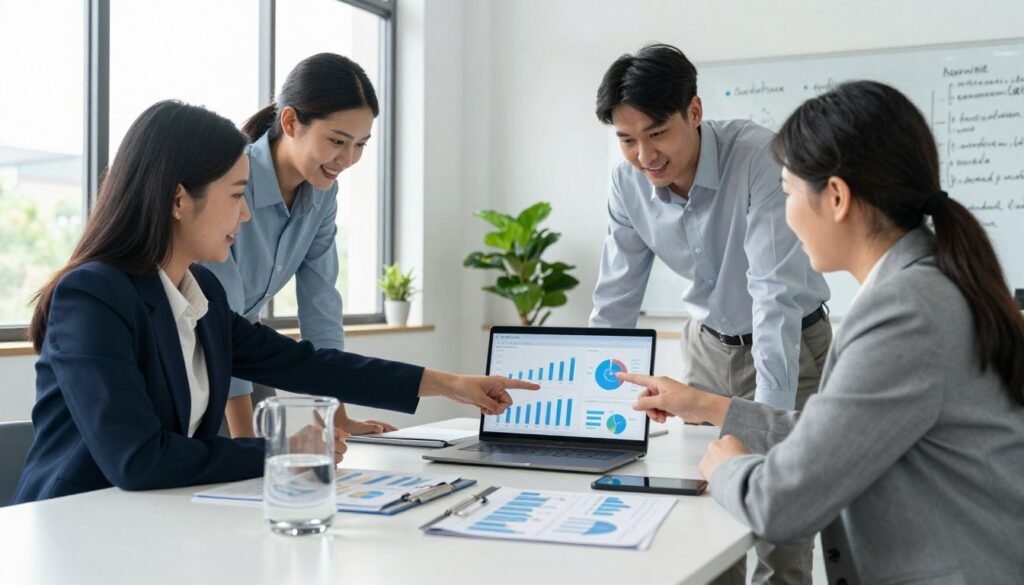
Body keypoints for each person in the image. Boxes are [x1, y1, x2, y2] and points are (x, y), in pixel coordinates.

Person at [11, 101, 537, 505]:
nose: (245, 217)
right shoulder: (93, 297)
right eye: (237, 196)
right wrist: (286, 450)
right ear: (178, 200)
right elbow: (138, 459)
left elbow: (300, 362)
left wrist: (449, 384)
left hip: (154, 517)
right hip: (76, 527)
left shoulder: (202, 294)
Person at [624, 81, 1024, 585]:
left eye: (788, 192)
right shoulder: (924, 283)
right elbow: (834, 435)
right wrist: (706, 406)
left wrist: (726, 468)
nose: (784, 215)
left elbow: (782, 504)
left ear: (835, 197)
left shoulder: (905, 314)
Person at [591, 43, 828, 584]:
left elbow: (774, 299)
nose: (644, 155)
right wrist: (592, 404)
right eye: (627, 140)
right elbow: (615, 299)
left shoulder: (761, 159)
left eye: (657, 134)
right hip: (704, 347)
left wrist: (758, 426)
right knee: (702, 516)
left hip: (791, 345)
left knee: (778, 527)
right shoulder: (627, 181)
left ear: (694, 113)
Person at [204, 53, 395, 438]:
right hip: (194, 339)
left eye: (360, 144)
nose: (348, 158)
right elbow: (223, 318)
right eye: (337, 141)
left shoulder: (323, 193)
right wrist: (248, 446)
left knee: (270, 463)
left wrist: (337, 417)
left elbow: (320, 304)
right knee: (234, 466)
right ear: (291, 122)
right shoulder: (231, 177)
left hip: (244, 337)